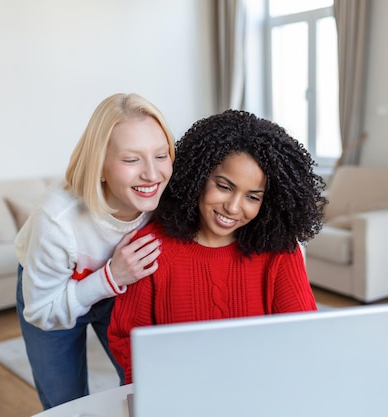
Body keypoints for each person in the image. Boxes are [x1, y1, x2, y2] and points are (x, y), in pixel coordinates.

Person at [108, 109, 327, 383]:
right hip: (177, 391)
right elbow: (127, 340)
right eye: (224, 187)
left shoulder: (280, 250)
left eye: (252, 197)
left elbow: (302, 336)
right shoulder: (150, 247)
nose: (233, 207)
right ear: (199, 176)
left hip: (259, 387)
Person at [15, 93, 174, 409]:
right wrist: (111, 277)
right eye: (131, 159)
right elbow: (41, 312)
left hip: (120, 289)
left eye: (161, 155)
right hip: (53, 295)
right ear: (99, 165)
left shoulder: (166, 199)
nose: (153, 174)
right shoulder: (58, 219)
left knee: (141, 388)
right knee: (64, 403)